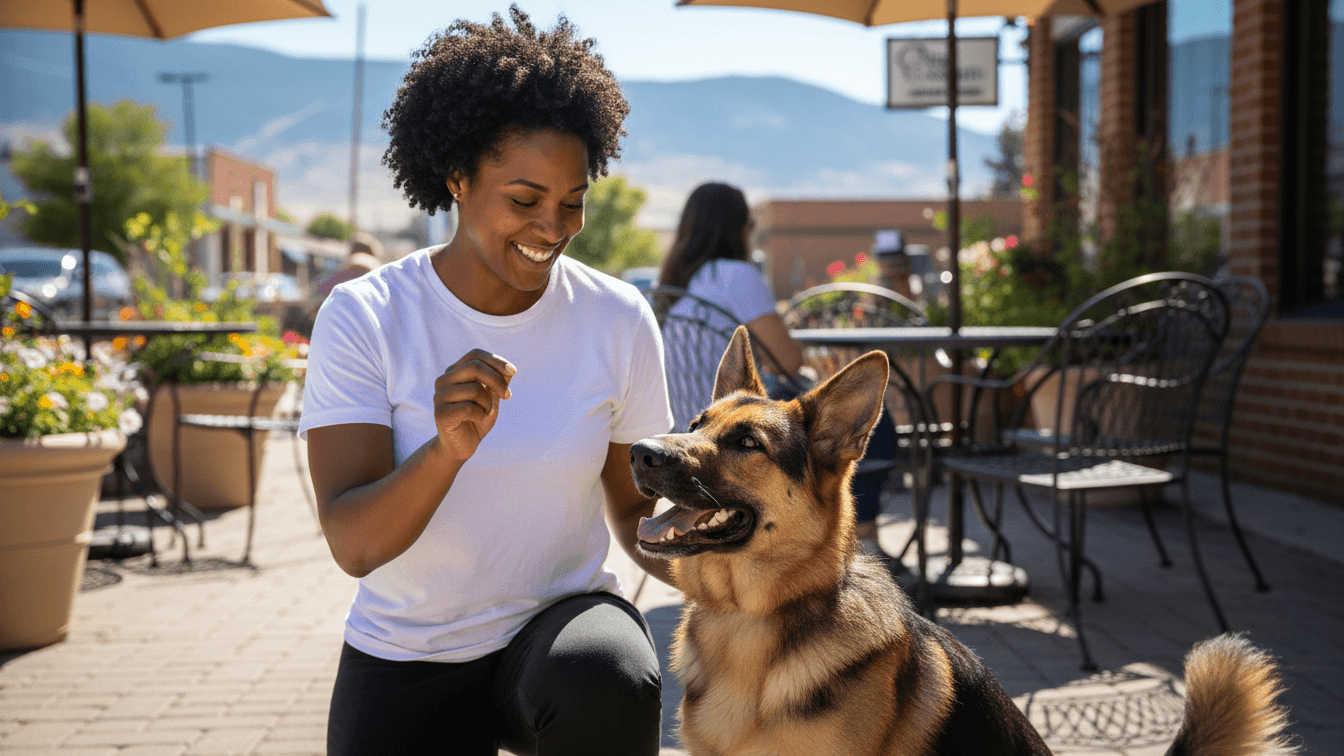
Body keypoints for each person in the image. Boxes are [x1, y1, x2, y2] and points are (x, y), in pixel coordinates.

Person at [299, 8, 671, 755]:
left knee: (611, 677)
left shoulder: (616, 317)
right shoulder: (368, 314)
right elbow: (354, 545)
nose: (552, 228)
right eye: (525, 200)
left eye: (573, 202)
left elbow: (634, 509)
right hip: (410, 648)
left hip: (560, 631)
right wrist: (446, 450)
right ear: (458, 179)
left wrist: (754, 574)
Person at [657, 181, 903, 576]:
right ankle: (864, 536)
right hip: (732, 429)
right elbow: (790, 360)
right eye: (749, 224)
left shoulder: (677, 284)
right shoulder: (736, 274)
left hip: (689, 426)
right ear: (739, 228)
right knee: (870, 426)